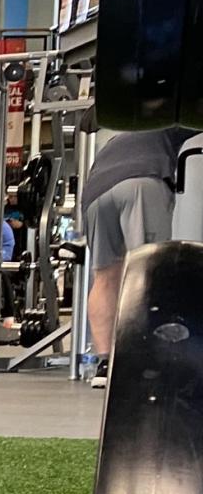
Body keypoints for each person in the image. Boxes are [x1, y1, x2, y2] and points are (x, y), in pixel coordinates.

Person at [80, 125, 194, 385]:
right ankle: (149, 360)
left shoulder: (116, 139)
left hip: (95, 194)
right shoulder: (169, 123)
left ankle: (105, 364)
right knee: (151, 273)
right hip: (141, 182)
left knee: (104, 277)